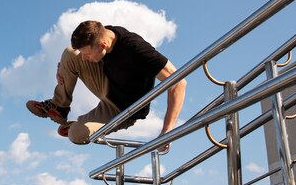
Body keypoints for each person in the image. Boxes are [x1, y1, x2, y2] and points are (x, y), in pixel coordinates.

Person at [26, 20, 186, 146]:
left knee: (76, 134)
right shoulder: (104, 33)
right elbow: (81, 51)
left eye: (87, 54)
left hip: (122, 109)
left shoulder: (137, 49)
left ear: (103, 45)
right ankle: (59, 107)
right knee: (69, 53)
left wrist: (167, 130)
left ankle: (83, 123)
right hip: (108, 83)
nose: (84, 58)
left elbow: (178, 82)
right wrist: (63, 68)